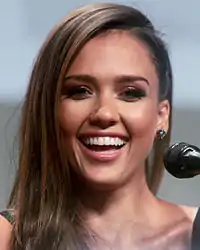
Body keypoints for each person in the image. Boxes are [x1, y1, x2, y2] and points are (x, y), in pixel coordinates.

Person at [0, 2, 198, 250]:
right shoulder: (8, 237)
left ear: (162, 116)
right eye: (80, 91)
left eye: (130, 93)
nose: (104, 114)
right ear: (49, 111)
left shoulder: (194, 231)